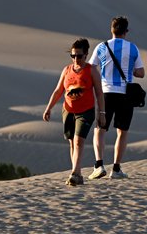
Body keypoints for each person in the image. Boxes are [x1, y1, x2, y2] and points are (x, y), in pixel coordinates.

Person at [88, 15, 145, 180]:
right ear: (126, 31)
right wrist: (131, 71)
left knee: (100, 130)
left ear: (111, 30)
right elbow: (141, 72)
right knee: (122, 132)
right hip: (125, 95)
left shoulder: (101, 46)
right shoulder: (132, 48)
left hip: (105, 93)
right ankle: (116, 169)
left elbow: (91, 68)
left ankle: (99, 165)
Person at [43, 38, 105, 186]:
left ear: (86, 55)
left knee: (78, 141)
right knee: (72, 143)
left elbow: (99, 93)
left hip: (86, 111)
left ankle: (75, 173)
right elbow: (58, 91)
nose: (76, 59)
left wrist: (101, 113)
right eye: (73, 56)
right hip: (68, 110)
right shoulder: (67, 70)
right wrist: (49, 108)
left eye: (79, 55)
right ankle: (76, 173)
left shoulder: (91, 71)